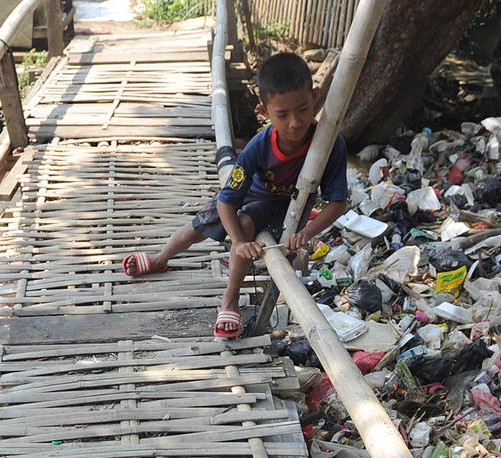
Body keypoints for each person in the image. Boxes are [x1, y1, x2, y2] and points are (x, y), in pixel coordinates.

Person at [121, 51, 349, 339]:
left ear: (315, 97)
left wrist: (306, 233)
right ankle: (160, 258)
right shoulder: (259, 146)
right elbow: (226, 200)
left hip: (289, 208)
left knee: (245, 223)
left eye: (303, 109)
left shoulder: (329, 145)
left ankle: (229, 300)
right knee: (196, 228)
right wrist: (239, 243)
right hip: (249, 196)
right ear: (264, 112)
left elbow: (337, 202)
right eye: (282, 114)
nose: (294, 122)